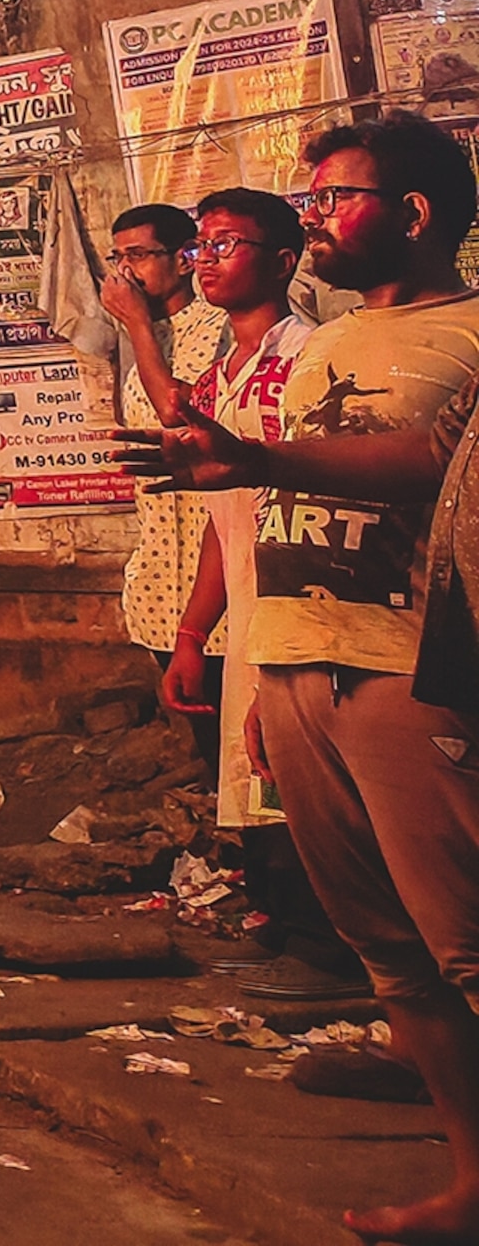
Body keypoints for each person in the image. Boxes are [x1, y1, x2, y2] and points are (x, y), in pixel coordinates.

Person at [125, 115, 479, 1245]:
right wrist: (257, 667)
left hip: (411, 669)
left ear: (413, 214)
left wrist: (263, 457)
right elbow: (262, 496)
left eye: (335, 199)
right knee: (389, 954)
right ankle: (471, 1175)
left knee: (464, 942)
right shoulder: (322, 350)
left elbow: (420, 462)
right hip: (297, 666)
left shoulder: (472, 329)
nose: (315, 215)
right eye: (310, 199)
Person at [151, 187, 352, 1001]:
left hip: (299, 598)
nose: (207, 260)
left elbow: (298, 499)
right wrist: (194, 634)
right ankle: (292, 937)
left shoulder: (305, 356)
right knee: (258, 781)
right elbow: (221, 515)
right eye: (201, 245)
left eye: (227, 243)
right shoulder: (222, 371)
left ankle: (335, 958)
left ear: (282, 257)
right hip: (246, 596)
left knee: (306, 789)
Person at [78, 204, 230, 668]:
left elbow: (175, 412)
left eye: (139, 255)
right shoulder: (143, 334)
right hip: (159, 585)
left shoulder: (218, 326)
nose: (126, 271)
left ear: (185, 258)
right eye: (118, 258)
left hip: (220, 591)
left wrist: (138, 324)